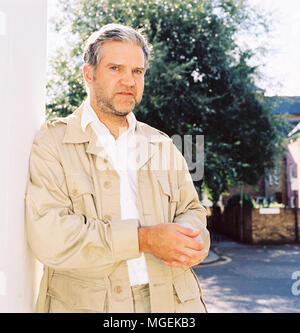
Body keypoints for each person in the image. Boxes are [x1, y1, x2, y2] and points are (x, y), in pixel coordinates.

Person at [25, 23, 210, 313]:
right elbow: (51, 238)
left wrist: (188, 237)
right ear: (89, 74)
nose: (129, 80)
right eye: (115, 69)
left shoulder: (162, 144)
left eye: (137, 71)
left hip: (173, 305)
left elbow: (192, 210)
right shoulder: (52, 142)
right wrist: (145, 240)